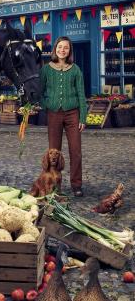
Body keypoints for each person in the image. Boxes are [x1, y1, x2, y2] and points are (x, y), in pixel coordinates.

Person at [40, 35, 87, 196]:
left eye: (66, 48)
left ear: (69, 51)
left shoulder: (75, 69)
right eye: (60, 47)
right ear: (55, 49)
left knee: (76, 151)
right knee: (53, 151)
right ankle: (52, 185)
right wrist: (47, 104)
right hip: (53, 113)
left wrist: (83, 118)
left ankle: (76, 185)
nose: (62, 50)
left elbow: (81, 94)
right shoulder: (45, 69)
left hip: (73, 113)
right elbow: (40, 92)